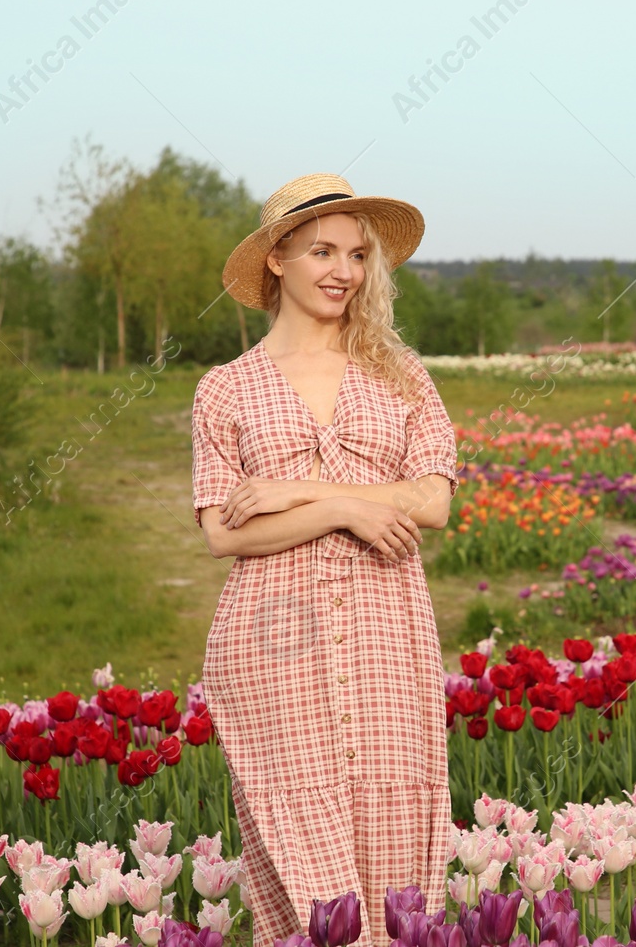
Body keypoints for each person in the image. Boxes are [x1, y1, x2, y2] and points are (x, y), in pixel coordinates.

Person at [190, 173, 458, 947]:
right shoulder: (226, 390)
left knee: (394, 830)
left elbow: (433, 501)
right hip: (272, 640)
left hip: (386, 636)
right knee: (304, 863)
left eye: (358, 254)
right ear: (277, 259)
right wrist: (345, 507)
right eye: (322, 251)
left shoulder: (401, 375)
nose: (344, 270)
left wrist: (291, 488)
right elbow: (223, 532)